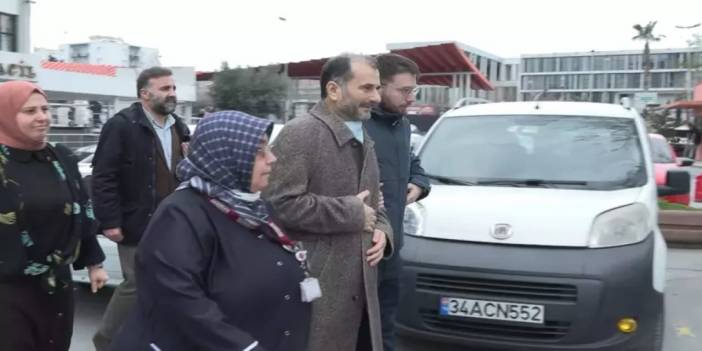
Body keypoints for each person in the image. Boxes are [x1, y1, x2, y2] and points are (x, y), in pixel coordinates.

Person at [109, 111, 311, 351]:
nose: (272, 159)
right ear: (226, 157)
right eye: (260, 151)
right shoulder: (180, 215)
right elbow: (179, 299)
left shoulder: (254, 207)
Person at [264, 54, 393, 351]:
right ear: (334, 90)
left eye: (377, 88)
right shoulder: (301, 133)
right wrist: (350, 212)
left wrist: (384, 231)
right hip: (320, 289)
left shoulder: (363, 133)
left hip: (361, 286)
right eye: (366, 88)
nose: (376, 97)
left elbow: (374, 199)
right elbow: (278, 205)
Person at [0, 80, 108, 351]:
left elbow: (81, 210)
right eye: (30, 111)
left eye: (45, 109)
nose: (42, 117)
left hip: (56, 282)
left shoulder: (61, 157)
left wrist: (94, 263)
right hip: (7, 287)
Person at [91, 67, 191, 350]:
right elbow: (103, 176)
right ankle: (106, 341)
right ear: (145, 94)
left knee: (169, 285)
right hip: (136, 224)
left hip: (173, 224)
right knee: (137, 283)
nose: (172, 94)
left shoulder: (178, 126)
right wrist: (110, 220)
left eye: (173, 88)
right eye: (164, 89)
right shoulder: (122, 125)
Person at [364, 54, 431, 351]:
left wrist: (418, 185)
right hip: (364, 254)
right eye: (404, 91)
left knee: (386, 330)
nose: (411, 98)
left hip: (394, 251)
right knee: (360, 333)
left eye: (413, 90)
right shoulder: (357, 126)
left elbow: (415, 163)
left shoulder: (402, 126)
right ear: (380, 87)